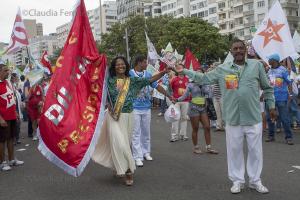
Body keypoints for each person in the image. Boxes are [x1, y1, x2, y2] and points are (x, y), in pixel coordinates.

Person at [175, 39, 276, 194]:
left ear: (245, 50)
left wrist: (271, 106)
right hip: (233, 118)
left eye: (241, 48)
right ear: (231, 51)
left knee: (256, 152)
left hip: (253, 117)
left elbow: (267, 88)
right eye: (235, 49)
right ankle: (237, 181)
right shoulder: (222, 69)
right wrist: (185, 71)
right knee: (234, 151)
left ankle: (255, 181)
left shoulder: (256, 66)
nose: (238, 51)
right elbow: (203, 78)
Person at [92, 56, 170, 186]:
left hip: (128, 115)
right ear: (114, 67)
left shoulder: (132, 80)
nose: (120, 66)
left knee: (125, 143)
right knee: (120, 143)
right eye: (117, 64)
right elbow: (96, 89)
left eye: (122, 64)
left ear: (126, 66)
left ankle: (117, 166)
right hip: (113, 116)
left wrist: (163, 72)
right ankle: (128, 170)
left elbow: (149, 79)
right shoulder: (108, 80)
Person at [129, 55, 171, 167]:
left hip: (146, 108)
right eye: (144, 62)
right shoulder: (130, 74)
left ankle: (146, 152)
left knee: (146, 131)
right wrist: (162, 72)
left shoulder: (147, 74)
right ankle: (137, 156)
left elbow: (157, 86)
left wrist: (169, 95)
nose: (146, 64)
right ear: (138, 63)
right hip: (134, 108)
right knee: (136, 133)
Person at [175, 80, 218, 155]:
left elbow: (210, 95)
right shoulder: (190, 85)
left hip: (203, 108)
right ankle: (196, 147)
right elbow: (185, 96)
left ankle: (209, 147)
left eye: (200, 74)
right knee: (195, 128)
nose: (199, 76)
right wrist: (177, 100)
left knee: (207, 127)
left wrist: (207, 88)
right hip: (194, 108)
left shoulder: (205, 84)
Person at [0, 61, 24, 171]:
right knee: (2, 140)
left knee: (11, 138)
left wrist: (15, 112)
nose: (8, 72)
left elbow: (12, 99)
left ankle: (11, 159)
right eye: (5, 70)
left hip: (11, 116)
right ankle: (2, 162)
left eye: (8, 70)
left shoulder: (8, 83)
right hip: (3, 117)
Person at [265, 54, 294, 145]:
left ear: (274, 60)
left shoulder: (283, 70)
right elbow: (266, 84)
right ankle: (271, 136)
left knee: (284, 118)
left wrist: (290, 94)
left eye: (269, 59)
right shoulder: (269, 71)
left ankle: (288, 137)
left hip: (281, 98)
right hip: (270, 99)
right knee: (270, 118)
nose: (268, 61)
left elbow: (289, 82)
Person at [169, 64, 190, 142]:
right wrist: (171, 97)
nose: (180, 69)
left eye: (181, 68)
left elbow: (189, 90)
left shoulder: (187, 79)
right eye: (178, 68)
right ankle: (174, 136)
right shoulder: (174, 79)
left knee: (184, 118)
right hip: (176, 101)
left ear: (184, 69)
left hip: (185, 101)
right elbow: (169, 89)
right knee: (175, 118)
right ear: (177, 70)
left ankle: (183, 135)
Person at [10, 73, 23, 144]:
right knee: (15, 123)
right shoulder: (9, 85)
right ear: (13, 78)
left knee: (18, 123)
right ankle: (15, 139)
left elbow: (18, 97)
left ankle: (17, 138)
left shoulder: (15, 85)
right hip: (13, 108)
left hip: (17, 107)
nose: (18, 78)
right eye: (16, 77)